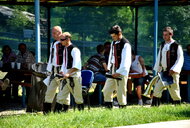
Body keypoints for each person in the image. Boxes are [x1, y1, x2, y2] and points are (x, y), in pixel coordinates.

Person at [152, 27, 184, 106]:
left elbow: (180, 59)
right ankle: (155, 107)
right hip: (164, 72)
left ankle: (178, 107)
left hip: (173, 72)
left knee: (174, 91)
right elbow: (159, 57)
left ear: (171, 34)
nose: (164, 36)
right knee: (157, 89)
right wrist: (158, 69)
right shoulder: (162, 45)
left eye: (166, 35)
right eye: (163, 35)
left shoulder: (177, 46)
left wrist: (174, 69)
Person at [54, 32, 84, 112]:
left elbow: (77, 66)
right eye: (60, 40)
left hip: (74, 77)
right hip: (66, 77)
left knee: (78, 98)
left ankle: (81, 114)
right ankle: (56, 115)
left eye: (62, 40)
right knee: (60, 96)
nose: (61, 41)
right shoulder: (65, 49)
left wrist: (68, 73)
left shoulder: (75, 50)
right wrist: (62, 71)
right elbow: (64, 63)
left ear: (68, 39)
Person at [103, 25, 132, 108]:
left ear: (119, 33)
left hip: (121, 70)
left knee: (121, 92)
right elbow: (112, 57)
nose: (113, 38)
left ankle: (122, 110)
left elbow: (126, 61)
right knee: (106, 90)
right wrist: (109, 69)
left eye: (114, 36)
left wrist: (119, 72)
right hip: (112, 69)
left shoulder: (125, 44)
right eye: (112, 36)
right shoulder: (113, 43)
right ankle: (108, 109)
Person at [43, 26, 63, 114]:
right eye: (52, 33)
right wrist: (49, 70)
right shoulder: (53, 43)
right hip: (53, 71)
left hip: (62, 70)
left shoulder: (64, 43)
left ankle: (60, 111)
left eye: (54, 33)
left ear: (59, 33)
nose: (53, 35)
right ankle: (46, 112)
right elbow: (52, 58)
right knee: (49, 91)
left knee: (63, 92)